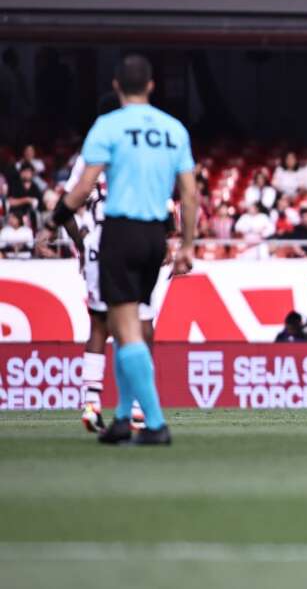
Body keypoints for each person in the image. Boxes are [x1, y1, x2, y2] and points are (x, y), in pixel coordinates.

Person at [53, 54, 198, 447]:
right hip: (155, 237)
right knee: (136, 323)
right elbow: (188, 194)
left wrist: (57, 215)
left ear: (117, 87)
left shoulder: (108, 126)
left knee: (123, 325)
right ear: (151, 86)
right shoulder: (174, 130)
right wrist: (185, 244)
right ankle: (121, 418)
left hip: (118, 233)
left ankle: (153, 423)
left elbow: (82, 189)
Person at [58, 153, 162, 433]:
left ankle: (91, 403)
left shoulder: (91, 152)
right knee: (141, 325)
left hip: (97, 245)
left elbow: (66, 204)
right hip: (135, 239)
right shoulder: (141, 148)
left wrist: (82, 247)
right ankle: (139, 408)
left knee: (99, 326)